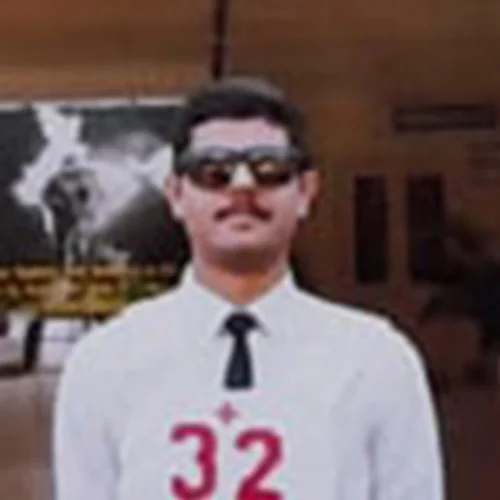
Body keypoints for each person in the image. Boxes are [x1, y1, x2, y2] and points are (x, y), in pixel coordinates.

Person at [54, 77, 444, 500]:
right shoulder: (105, 362)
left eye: (268, 168)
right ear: (176, 195)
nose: (242, 186)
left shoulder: (374, 359)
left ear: (306, 191)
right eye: (213, 171)